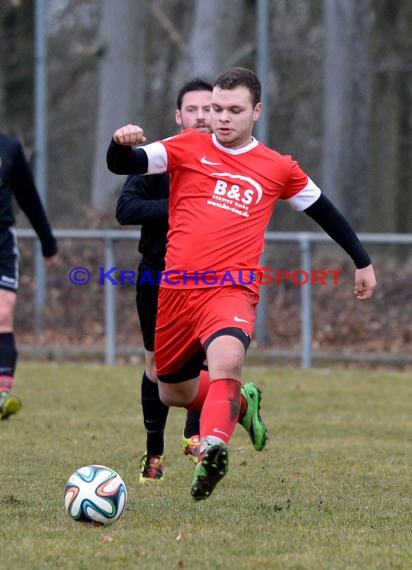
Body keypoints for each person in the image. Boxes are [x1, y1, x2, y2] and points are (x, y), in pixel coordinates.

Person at [107, 67, 377, 501]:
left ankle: (214, 448)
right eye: (216, 109)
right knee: (172, 390)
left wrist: (361, 260)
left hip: (231, 287)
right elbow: (127, 164)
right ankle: (245, 405)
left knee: (227, 360)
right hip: (175, 290)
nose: (222, 118)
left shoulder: (277, 167)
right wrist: (118, 143)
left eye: (234, 110)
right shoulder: (187, 146)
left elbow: (324, 210)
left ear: (257, 112)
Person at [116, 79, 213, 481]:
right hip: (158, 274)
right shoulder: (161, 157)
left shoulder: (231, 159)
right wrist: (180, 207)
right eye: (193, 109)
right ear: (179, 116)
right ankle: (153, 452)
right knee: (158, 366)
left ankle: (196, 441)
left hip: (211, 277)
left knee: (209, 359)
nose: (203, 116)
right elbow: (126, 208)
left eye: (211, 108)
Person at [0, 132, 58, 419]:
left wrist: (48, 241)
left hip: (1, 244)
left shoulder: (8, 147)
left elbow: (28, 196)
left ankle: (2, 394)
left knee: (3, 312)